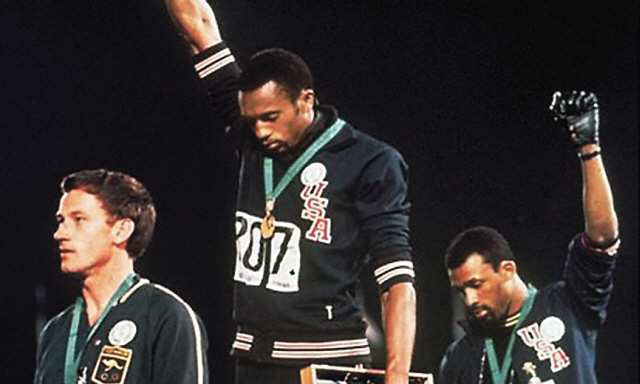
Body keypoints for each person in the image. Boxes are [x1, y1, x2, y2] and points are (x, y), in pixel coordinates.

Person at [163, 1, 417, 383]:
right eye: (252, 120)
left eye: (271, 118)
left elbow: (395, 279)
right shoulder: (250, 134)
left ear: (306, 101)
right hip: (252, 357)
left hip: (327, 360)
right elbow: (198, 30)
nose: (261, 131)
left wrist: (397, 374)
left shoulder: (371, 161)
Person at [439, 91, 620, 384]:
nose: (470, 299)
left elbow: (602, 237)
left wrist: (588, 148)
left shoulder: (568, 304)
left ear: (507, 269)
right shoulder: (461, 358)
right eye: (462, 291)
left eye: (475, 285)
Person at [34, 169, 209, 384]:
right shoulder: (56, 331)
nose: (59, 233)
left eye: (78, 219)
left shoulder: (167, 316)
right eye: (61, 221)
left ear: (121, 230)